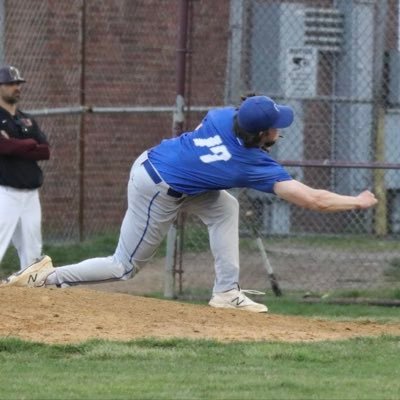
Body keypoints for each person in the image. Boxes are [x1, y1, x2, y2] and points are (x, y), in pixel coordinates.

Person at [1, 94, 377, 312]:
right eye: (276, 125)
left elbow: (200, 143)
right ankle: (43, 277)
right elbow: (312, 199)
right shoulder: (252, 163)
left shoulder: (223, 116)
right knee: (124, 267)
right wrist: (357, 202)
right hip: (156, 185)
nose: (281, 129)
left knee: (225, 208)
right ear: (262, 133)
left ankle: (226, 292)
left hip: (169, 170)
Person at [0, 65, 50, 271]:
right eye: (11, 83)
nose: (16, 87)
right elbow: (3, 146)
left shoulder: (25, 118)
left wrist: (17, 146)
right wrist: (29, 144)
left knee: (33, 249)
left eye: (18, 83)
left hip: (30, 194)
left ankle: (33, 295)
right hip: (5, 191)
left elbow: (45, 151)